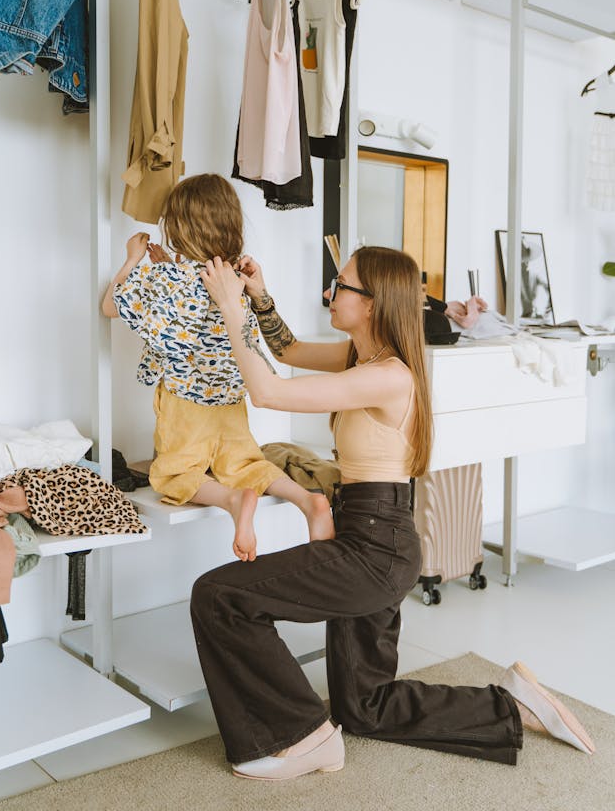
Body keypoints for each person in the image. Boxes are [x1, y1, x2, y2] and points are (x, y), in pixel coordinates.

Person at [191, 245, 595, 780]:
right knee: (366, 706)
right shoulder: (360, 359)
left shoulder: (391, 376)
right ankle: (511, 704)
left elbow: (266, 392)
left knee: (220, 596)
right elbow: (285, 349)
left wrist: (231, 308)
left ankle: (303, 737)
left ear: (375, 303)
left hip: (375, 548)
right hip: (374, 533)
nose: (331, 292)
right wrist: (259, 295)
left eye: (344, 284)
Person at [101, 174, 333, 562]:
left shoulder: (167, 276)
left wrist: (132, 260)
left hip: (185, 403)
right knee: (246, 463)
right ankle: (306, 500)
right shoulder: (235, 278)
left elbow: (112, 305)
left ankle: (232, 501)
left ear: (176, 226)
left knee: (172, 474)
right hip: (231, 399)